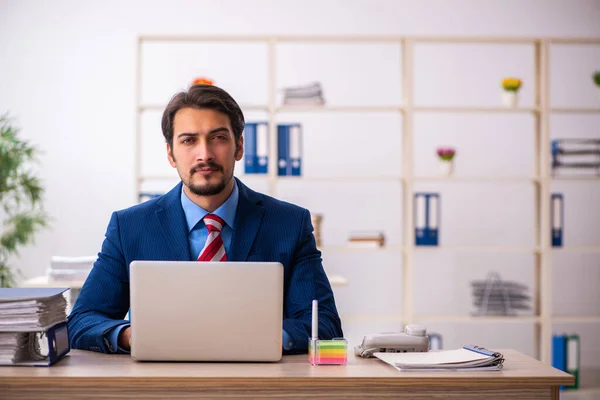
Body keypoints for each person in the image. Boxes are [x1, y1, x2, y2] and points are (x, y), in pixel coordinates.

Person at [67, 84, 343, 354]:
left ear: (239, 147)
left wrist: (262, 337)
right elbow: (82, 320)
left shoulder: (289, 224)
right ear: (170, 154)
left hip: (258, 385)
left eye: (219, 138)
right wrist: (131, 335)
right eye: (188, 140)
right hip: (160, 386)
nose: (205, 154)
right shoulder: (129, 228)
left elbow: (325, 325)